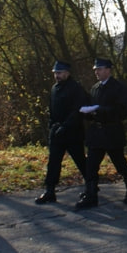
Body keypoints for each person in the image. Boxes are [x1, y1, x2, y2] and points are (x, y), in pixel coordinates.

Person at [75, 58, 127, 210]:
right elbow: (91, 107)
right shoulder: (95, 88)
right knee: (91, 166)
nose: (97, 72)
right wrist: (87, 113)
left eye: (100, 69)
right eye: (96, 69)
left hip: (111, 131)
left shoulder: (118, 88)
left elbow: (123, 111)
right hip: (96, 132)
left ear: (108, 70)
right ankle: (91, 194)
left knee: (120, 163)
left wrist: (101, 110)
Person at [35, 60, 89, 205]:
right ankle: (50, 191)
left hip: (72, 133)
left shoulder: (76, 88)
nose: (57, 76)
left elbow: (78, 110)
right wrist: (52, 125)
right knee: (53, 163)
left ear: (67, 73)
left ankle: (91, 186)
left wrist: (66, 126)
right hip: (57, 132)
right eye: (55, 73)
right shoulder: (54, 89)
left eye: (59, 73)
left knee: (80, 161)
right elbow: (52, 110)